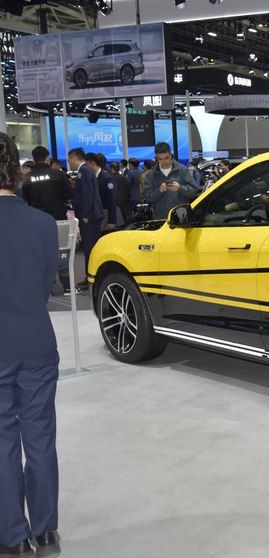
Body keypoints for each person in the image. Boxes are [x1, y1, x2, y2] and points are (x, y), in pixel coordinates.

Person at [0, 132, 62, 558]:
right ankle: (46, 530)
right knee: (40, 438)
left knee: (2, 441)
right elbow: (44, 289)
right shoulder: (43, 224)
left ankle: (13, 535)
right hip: (37, 341)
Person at [21, 146, 78, 296]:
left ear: (34, 160)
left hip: (37, 223)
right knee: (62, 253)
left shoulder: (28, 179)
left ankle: (48, 287)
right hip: (59, 221)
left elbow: (25, 200)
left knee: (42, 254)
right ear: (48, 159)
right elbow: (70, 194)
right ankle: (67, 287)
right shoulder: (58, 175)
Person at [67, 147, 104, 287]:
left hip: (89, 217)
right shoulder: (86, 170)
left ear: (74, 159)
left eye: (69, 160)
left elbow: (88, 195)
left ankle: (92, 278)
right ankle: (90, 277)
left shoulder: (84, 171)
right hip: (91, 215)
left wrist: (86, 214)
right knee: (89, 247)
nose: (69, 164)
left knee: (90, 248)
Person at [142, 142, 199, 219]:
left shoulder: (183, 170)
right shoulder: (150, 174)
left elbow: (193, 191)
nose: (164, 162)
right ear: (156, 158)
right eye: (160, 159)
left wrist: (180, 188)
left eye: (166, 158)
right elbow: (148, 197)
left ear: (170, 155)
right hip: (160, 218)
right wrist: (159, 191)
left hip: (181, 217)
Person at [84, 153, 116, 231]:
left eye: (87, 165)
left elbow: (112, 200)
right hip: (94, 216)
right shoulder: (91, 177)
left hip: (105, 214)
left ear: (93, 164)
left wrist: (111, 221)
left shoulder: (106, 178)